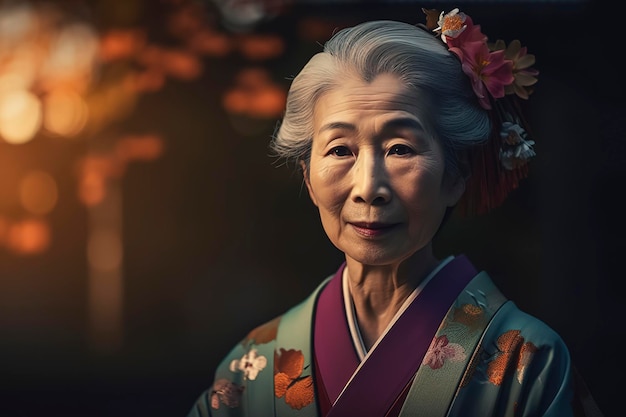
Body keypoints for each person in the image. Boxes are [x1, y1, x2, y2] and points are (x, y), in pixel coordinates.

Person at [187, 8, 604, 417]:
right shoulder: (252, 368)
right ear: (309, 178)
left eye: (400, 149)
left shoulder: (527, 361)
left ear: (456, 175)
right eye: (339, 150)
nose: (369, 188)